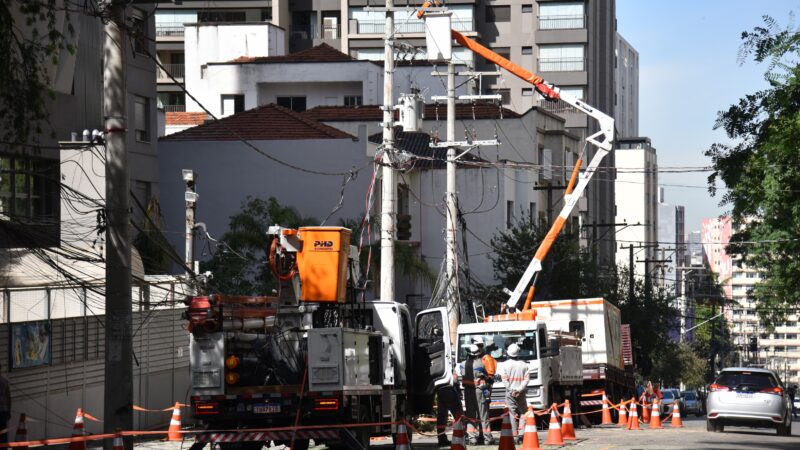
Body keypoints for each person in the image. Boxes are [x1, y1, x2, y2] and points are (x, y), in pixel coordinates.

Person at [462, 344, 495, 445]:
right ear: (477, 354)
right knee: (483, 415)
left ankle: (472, 438)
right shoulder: (480, 364)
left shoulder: (463, 364)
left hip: (467, 392)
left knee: (471, 416)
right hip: (478, 391)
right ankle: (487, 438)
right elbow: (488, 378)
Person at [497, 343, 530, 444]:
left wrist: (512, 390)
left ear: (508, 353)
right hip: (521, 393)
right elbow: (526, 380)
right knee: (523, 412)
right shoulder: (524, 365)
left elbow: (505, 380)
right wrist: (519, 390)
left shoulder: (505, 364)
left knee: (511, 413)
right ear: (518, 352)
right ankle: (521, 434)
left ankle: (514, 436)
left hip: (510, 393)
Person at [0, 364, 10, 444]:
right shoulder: (4, 381)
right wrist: (9, 411)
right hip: (3, 410)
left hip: (3, 411)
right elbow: (9, 398)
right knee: (3, 434)